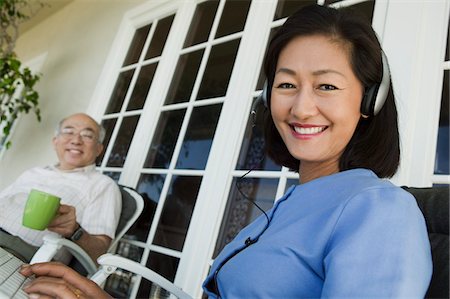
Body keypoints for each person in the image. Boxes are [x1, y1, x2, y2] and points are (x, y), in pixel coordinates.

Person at [20, 4, 432, 298]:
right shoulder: (291, 204)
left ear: (369, 101)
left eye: (326, 85)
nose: (301, 107)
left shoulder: (381, 212)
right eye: (287, 84)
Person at [0, 113, 121, 264]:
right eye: (69, 132)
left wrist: (75, 231)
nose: (76, 140)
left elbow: (99, 254)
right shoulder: (33, 172)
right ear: (55, 141)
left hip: (20, 253)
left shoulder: (103, 185)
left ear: (99, 149)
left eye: (87, 135)